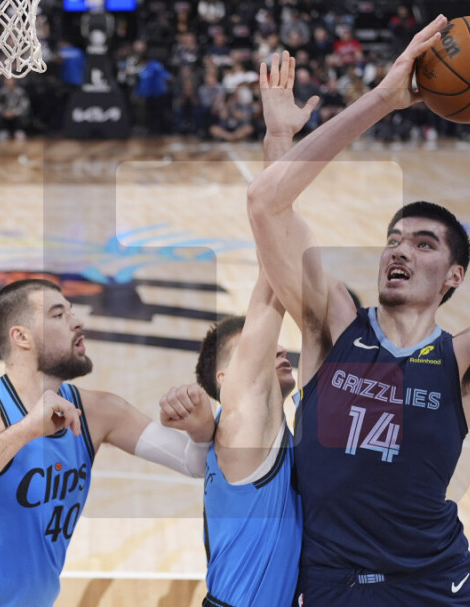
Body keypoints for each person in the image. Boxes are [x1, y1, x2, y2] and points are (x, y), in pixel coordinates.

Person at [246, 15, 470, 606]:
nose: (400, 250)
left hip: (436, 585)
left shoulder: (465, 358)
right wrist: (381, 98)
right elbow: (267, 206)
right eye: (395, 239)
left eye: (424, 244)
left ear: (454, 277)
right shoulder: (333, 324)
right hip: (336, 587)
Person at [0, 278, 215, 607]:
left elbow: (194, 463)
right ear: (21, 337)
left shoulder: (99, 411)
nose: (77, 321)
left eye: (71, 311)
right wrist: (26, 430)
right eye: (58, 315)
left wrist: (199, 430)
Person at [161, 51, 318, 607]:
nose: (276, 349)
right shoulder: (245, 421)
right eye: (253, 347)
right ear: (228, 378)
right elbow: (274, 270)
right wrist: (279, 139)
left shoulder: (251, 431)